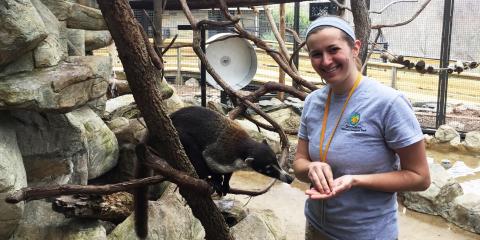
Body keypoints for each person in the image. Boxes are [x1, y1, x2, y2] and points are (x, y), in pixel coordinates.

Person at [293, 16, 431, 240]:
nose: (326, 61)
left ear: (355, 48)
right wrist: (310, 167)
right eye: (316, 54)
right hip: (316, 227)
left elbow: (420, 177)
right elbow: (298, 163)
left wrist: (355, 180)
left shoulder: (388, 103)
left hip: (367, 233)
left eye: (333, 49)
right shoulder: (312, 102)